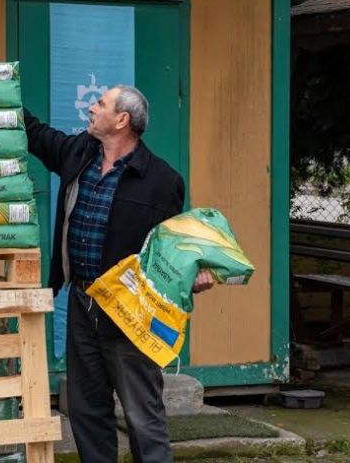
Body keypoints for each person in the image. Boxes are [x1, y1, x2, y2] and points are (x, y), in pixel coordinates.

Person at [24, 84, 214, 463]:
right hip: (82, 302)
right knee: (85, 408)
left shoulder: (161, 180)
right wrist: (2, 93)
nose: (92, 109)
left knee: (142, 415)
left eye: (101, 104)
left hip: (130, 313)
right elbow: (37, 134)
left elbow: (175, 247)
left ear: (121, 120)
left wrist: (196, 273)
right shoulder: (79, 153)